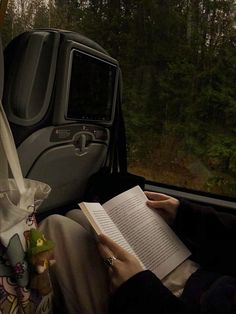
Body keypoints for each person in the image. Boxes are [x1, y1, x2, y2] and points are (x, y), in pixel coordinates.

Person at [39, 191, 236, 314]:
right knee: (79, 217)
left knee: (55, 226)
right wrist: (185, 215)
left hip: (163, 302)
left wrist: (136, 288)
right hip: (205, 282)